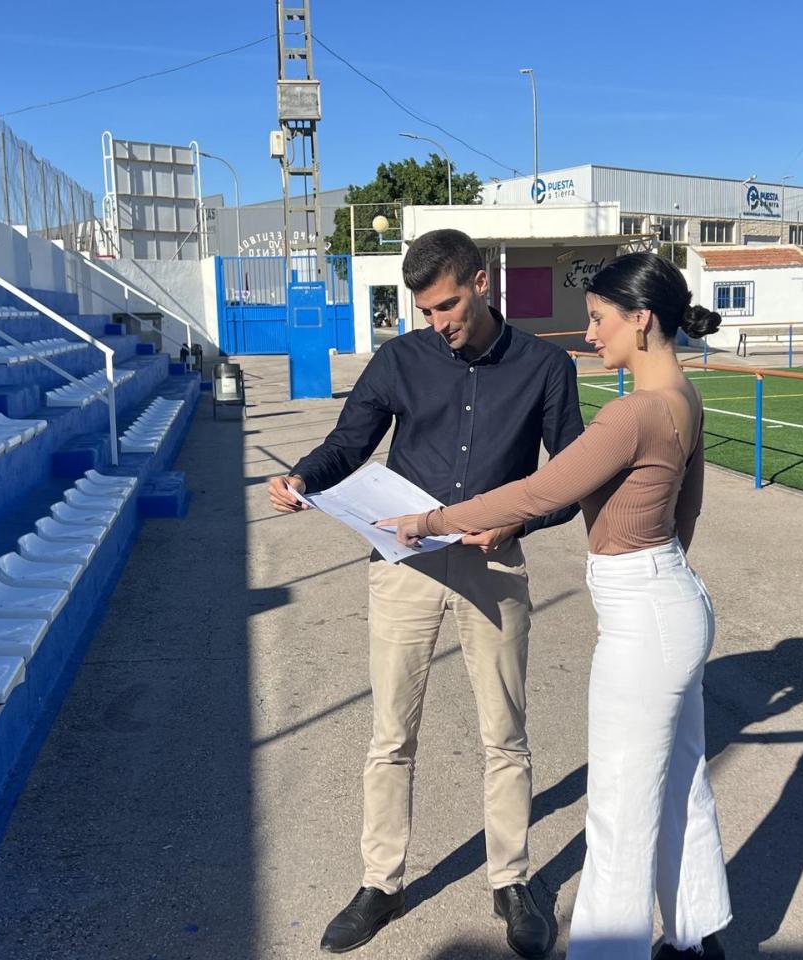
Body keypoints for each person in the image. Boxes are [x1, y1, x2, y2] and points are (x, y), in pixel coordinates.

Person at [380, 252, 732, 959]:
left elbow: (539, 492)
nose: (589, 336)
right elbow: (686, 513)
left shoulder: (635, 412)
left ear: (642, 320)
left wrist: (427, 521)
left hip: (645, 615)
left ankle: (612, 949)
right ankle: (695, 936)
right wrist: (660, 573)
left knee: (621, 807)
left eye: (599, 321)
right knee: (680, 782)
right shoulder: (685, 398)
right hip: (672, 597)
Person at [268, 228, 585, 958]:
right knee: (390, 735)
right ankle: (383, 882)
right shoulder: (402, 358)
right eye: (426, 311)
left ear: (480, 282)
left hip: (492, 564)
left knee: (504, 734)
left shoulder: (545, 366)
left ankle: (511, 880)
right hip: (404, 563)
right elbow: (350, 443)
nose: (437, 323)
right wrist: (302, 478)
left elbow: (569, 477)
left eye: (447, 305)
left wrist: (519, 521)